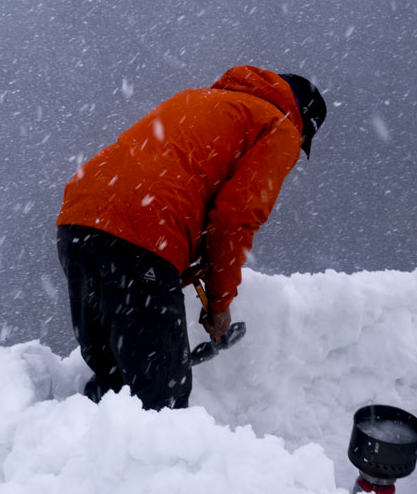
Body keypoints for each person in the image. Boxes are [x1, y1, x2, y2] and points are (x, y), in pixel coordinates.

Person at [55, 66, 326, 410]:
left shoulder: (201, 99)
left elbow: (167, 176)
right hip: (141, 231)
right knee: (162, 398)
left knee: (116, 384)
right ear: (303, 121)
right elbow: (234, 219)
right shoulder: (280, 126)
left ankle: (87, 441)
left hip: (79, 220)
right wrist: (220, 304)